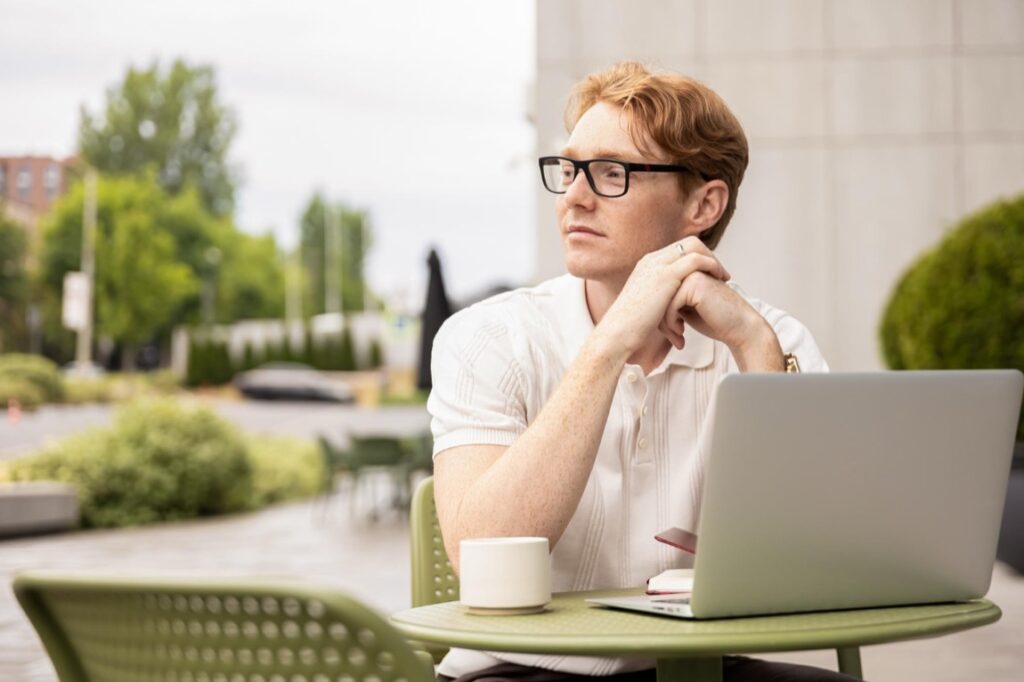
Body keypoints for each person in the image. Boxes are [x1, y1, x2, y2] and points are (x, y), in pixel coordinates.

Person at [427, 61, 855, 682]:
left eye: (611, 173)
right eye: (570, 170)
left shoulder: (773, 339)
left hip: (707, 667)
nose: (574, 196)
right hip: (519, 671)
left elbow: (817, 553)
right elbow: (481, 556)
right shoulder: (487, 337)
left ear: (703, 204)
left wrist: (753, 346)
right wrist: (606, 348)